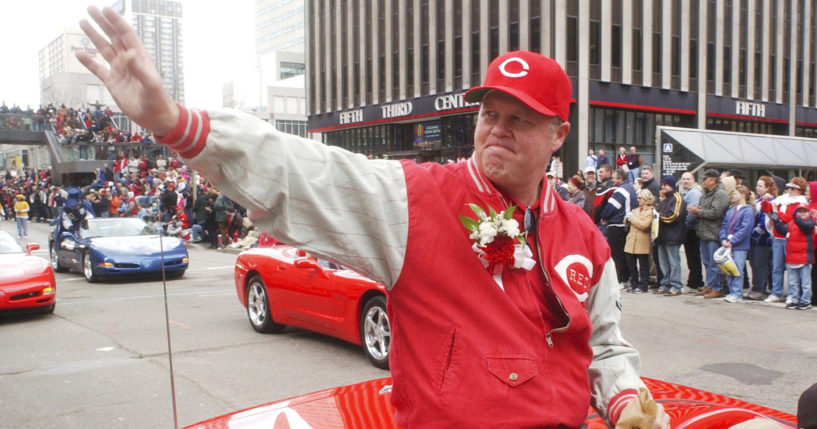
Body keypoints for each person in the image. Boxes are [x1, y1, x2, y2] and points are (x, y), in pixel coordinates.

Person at [76, 7, 669, 428]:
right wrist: (175, 122)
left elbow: (606, 350)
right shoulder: (414, 200)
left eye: (521, 118)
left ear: (559, 135)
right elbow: (304, 169)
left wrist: (624, 401)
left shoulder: (585, 237)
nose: (498, 129)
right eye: (490, 113)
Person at [761, 177, 809, 303]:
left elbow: (790, 217)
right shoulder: (781, 200)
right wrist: (766, 202)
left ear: (800, 190)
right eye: (789, 188)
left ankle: (792, 294)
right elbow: (767, 210)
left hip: (790, 239)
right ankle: (776, 292)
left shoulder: (801, 203)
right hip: (777, 237)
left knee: (791, 269)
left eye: (793, 188)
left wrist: (776, 214)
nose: (790, 190)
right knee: (777, 267)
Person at [687, 169, 729, 299]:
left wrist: (698, 212)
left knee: (713, 263)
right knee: (706, 262)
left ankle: (717, 287)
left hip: (713, 233)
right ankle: (710, 285)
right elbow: (707, 210)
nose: (703, 181)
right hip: (704, 232)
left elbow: (716, 213)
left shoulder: (720, 194)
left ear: (712, 180)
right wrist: (699, 210)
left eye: (705, 179)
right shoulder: (706, 193)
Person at [600, 168, 638, 289]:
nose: (612, 180)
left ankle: (622, 279)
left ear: (620, 179)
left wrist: (604, 216)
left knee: (617, 255)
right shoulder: (631, 188)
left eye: (614, 178)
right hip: (625, 224)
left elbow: (611, 207)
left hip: (617, 225)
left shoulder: (621, 191)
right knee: (625, 254)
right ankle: (627, 279)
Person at [770, 205, 814, 310]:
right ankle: (795, 300)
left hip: (804, 257)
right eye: (800, 212)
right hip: (791, 257)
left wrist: (796, 217)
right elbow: (782, 231)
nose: (802, 214)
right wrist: (777, 221)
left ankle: (805, 301)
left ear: (809, 213)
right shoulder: (792, 222)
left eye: (805, 212)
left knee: (805, 282)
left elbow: (805, 226)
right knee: (793, 282)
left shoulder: (810, 223)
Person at [718, 185, 755, 303]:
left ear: (743, 195)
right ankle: (731, 291)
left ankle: (737, 293)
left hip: (739, 245)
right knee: (728, 268)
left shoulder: (748, 210)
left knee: (737, 269)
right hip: (727, 244)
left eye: (735, 194)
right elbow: (724, 225)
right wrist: (723, 238)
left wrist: (733, 241)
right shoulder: (731, 210)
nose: (733, 196)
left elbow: (745, 229)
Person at [654, 176, 687, 296]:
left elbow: (673, 216)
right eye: (662, 185)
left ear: (672, 186)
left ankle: (675, 285)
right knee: (663, 262)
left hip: (673, 236)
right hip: (662, 236)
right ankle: (665, 283)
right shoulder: (666, 199)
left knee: (673, 262)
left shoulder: (677, 198)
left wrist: (658, 215)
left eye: (666, 185)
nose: (663, 187)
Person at [747, 176, 777, 301]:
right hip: (754, 239)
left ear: (768, 188)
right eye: (757, 185)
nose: (757, 188)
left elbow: (766, 221)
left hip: (763, 239)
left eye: (760, 186)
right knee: (754, 263)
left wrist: (754, 233)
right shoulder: (758, 200)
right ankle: (756, 286)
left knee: (760, 263)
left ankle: (760, 288)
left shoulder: (770, 201)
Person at [624, 189, 655, 294]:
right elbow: (626, 220)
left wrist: (632, 218)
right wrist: (628, 217)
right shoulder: (636, 210)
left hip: (642, 242)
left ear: (646, 199)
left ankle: (643, 286)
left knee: (643, 266)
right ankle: (634, 284)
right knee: (631, 266)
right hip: (631, 241)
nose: (638, 200)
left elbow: (645, 225)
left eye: (640, 198)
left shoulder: (650, 211)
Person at [679, 172, 704, 292]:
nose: (685, 181)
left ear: (694, 180)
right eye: (683, 179)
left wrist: (683, 225)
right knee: (692, 257)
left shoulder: (694, 192)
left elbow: (691, 213)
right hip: (689, 228)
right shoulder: (687, 191)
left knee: (693, 257)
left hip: (692, 229)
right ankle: (696, 281)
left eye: (688, 179)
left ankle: (694, 282)